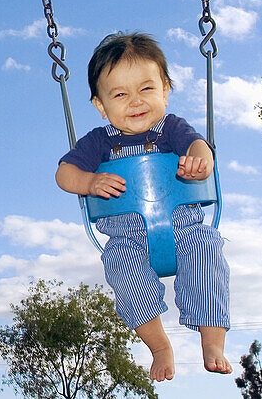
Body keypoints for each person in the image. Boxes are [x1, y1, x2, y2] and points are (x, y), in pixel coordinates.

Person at [55, 32, 230, 381]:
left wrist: (199, 161)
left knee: (209, 250)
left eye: (146, 89)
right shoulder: (98, 143)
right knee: (121, 268)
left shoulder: (173, 129)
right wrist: (89, 181)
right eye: (120, 94)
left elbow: (200, 148)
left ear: (165, 90)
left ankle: (212, 342)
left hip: (185, 230)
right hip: (128, 240)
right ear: (101, 106)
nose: (135, 101)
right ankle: (159, 346)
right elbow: (64, 174)